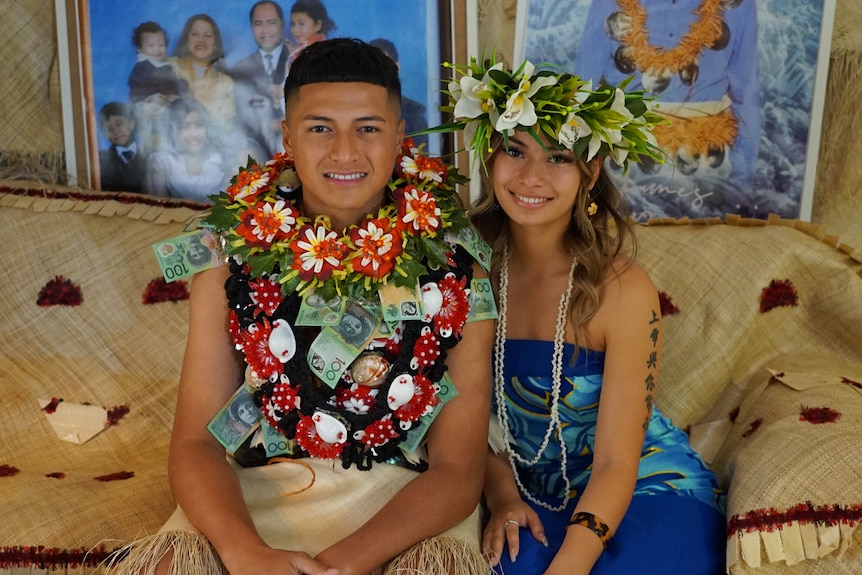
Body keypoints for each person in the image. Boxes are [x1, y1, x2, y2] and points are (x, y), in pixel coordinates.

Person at [107, 38, 493, 575]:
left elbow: (456, 470)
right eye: (319, 128)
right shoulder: (228, 257)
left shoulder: (456, 270)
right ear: (287, 137)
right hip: (256, 494)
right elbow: (196, 442)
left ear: (399, 135)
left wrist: (340, 565)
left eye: (368, 127)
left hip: (406, 504)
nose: (344, 151)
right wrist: (245, 552)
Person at [433, 57, 726, 573]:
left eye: (559, 159)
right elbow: (467, 423)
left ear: (590, 171)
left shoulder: (624, 290)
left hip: (642, 488)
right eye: (514, 151)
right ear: (488, 159)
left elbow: (616, 461)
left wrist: (571, 564)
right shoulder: (467, 268)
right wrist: (502, 499)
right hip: (528, 494)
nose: (531, 176)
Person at [576, 0, 760, 195]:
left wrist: (742, 177)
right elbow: (583, 91)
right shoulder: (608, 3)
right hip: (624, 163)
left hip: (705, 166)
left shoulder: (738, 5)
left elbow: (746, 94)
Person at [231, 1, 291, 160]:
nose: (265, 30)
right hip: (257, 156)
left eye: (271, 22)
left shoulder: (298, 59)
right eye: (258, 24)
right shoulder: (240, 69)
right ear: (251, 27)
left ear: (282, 25)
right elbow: (241, 120)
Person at [170, 14, 237, 148]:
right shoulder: (170, 68)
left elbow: (226, 126)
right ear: (187, 40)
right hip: (172, 147)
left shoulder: (226, 83)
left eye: (208, 35)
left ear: (216, 44)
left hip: (213, 150)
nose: (201, 40)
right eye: (195, 34)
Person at [143, 97, 228, 202]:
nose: (194, 134)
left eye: (199, 125)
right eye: (184, 126)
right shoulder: (161, 162)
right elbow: (157, 210)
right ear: (172, 130)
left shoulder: (223, 159)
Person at [127, 21, 188, 155]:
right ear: (139, 48)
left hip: (162, 103)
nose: (157, 49)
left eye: (161, 45)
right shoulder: (143, 66)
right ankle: (157, 152)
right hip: (147, 104)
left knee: (169, 122)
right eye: (151, 46)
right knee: (151, 130)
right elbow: (142, 86)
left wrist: (180, 86)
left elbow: (172, 84)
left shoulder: (162, 64)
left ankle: (169, 149)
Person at [369, 38, 429, 149]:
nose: (378, 73)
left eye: (385, 66)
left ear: (398, 67)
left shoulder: (414, 113)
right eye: (372, 67)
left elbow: (422, 158)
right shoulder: (352, 108)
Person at [97, 102, 147, 194]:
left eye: (119, 124)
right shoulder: (99, 160)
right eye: (108, 129)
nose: (115, 131)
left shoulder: (150, 154)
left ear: (132, 123)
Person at [286, 0, 336, 69]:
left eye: (301, 24)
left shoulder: (318, 50)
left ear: (317, 25)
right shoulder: (301, 47)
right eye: (293, 24)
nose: (295, 30)